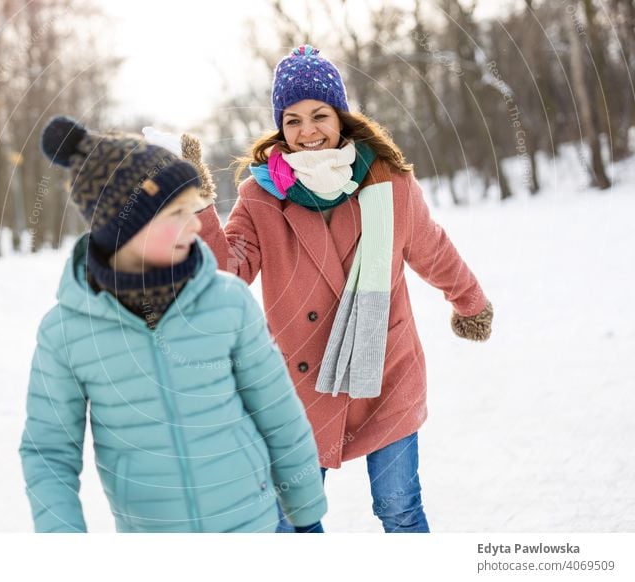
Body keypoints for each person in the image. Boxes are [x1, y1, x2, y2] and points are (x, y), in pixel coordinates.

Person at [196, 45, 494, 533]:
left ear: (340, 116)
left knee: (399, 507)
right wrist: (201, 207)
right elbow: (227, 271)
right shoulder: (260, 196)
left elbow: (432, 248)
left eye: (319, 115)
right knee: (290, 520)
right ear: (280, 127)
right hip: (298, 384)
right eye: (292, 120)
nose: (307, 131)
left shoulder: (386, 182)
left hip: (385, 367)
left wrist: (470, 302)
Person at [18, 116, 327, 533]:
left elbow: (278, 412)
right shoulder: (68, 332)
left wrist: (306, 511)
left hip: (252, 526)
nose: (197, 224)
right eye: (178, 212)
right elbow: (49, 452)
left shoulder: (227, 302)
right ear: (126, 226)